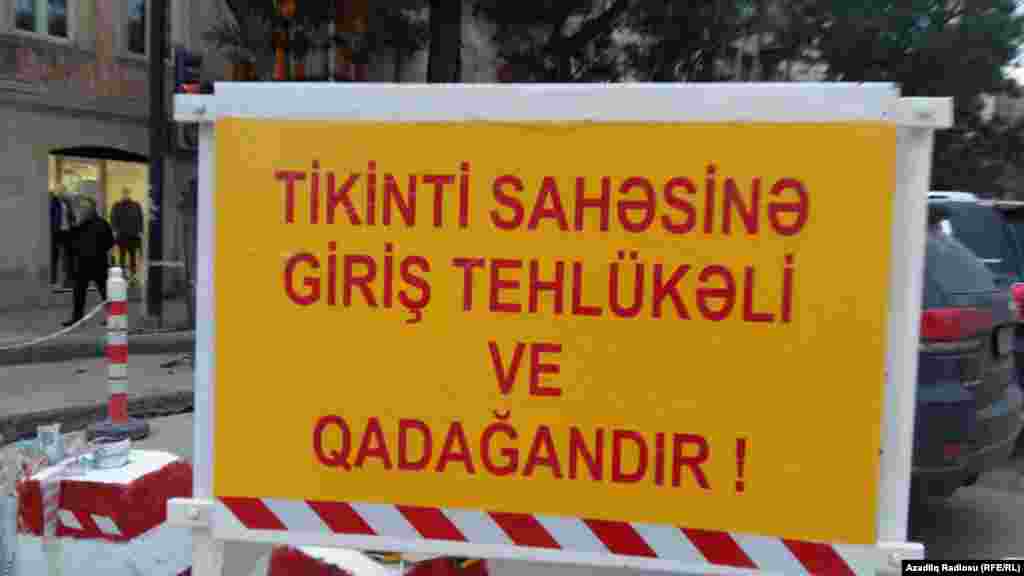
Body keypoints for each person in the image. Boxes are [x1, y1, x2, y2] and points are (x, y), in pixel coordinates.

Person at [63, 196, 115, 327]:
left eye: (86, 207)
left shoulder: (102, 223)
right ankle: (77, 318)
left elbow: (110, 242)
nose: (83, 209)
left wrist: (98, 250)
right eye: (82, 207)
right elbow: (71, 242)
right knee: (78, 293)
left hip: (99, 264)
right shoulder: (79, 225)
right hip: (82, 264)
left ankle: (113, 317)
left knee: (105, 292)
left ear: (92, 208)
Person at [110, 187, 144, 281]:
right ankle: (123, 274)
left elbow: (140, 219)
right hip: (122, 235)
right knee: (122, 255)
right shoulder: (117, 205)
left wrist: (140, 231)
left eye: (127, 193)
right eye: (124, 193)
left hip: (133, 235)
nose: (126, 195)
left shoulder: (136, 205)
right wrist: (114, 231)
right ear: (122, 194)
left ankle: (133, 275)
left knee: (133, 256)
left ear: (129, 193)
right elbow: (113, 219)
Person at [49, 186, 76, 288]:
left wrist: (73, 222)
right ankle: (52, 280)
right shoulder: (52, 201)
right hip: (56, 232)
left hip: (67, 232)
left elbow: (72, 216)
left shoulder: (67, 202)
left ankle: (68, 281)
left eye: (64, 191)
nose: (64, 192)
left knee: (68, 257)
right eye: (61, 191)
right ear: (57, 192)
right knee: (54, 257)